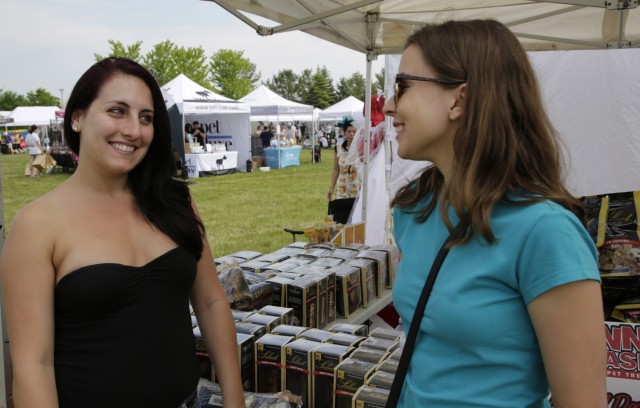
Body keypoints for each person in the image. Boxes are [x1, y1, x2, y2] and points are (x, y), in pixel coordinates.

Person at [383, 20, 606, 407]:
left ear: (459, 100)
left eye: (402, 86)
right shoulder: (413, 209)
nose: (388, 106)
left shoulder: (546, 233)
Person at [0, 57, 245, 408]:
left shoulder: (176, 201)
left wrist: (234, 399)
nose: (134, 130)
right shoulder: (37, 225)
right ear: (77, 117)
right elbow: (33, 366)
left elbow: (210, 302)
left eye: (146, 117)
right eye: (117, 111)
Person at [327, 116, 360, 224]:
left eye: (354, 131)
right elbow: (336, 169)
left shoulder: (362, 148)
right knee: (341, 220)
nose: (351, 134)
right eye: (349, 131)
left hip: (357, 188)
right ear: (344, 132)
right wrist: (331, 187)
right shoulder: (338, 147)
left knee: (356, 220)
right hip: (342, 189)